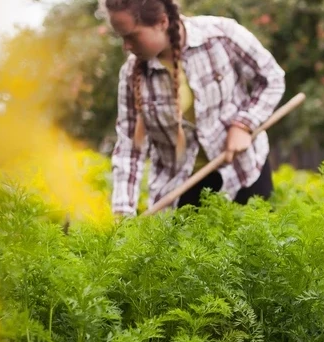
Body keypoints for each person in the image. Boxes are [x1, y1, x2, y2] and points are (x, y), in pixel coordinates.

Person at [104, 0, 285, 216]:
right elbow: (129, 149)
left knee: (257, 245)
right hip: (181, 190)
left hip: (242, 172)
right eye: (121, 38)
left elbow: (272, 78)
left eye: (131, 36)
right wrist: (123, 213)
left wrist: (244, 125)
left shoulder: (221, 36)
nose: (126, 46)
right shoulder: (132, 74)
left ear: (162, 22)